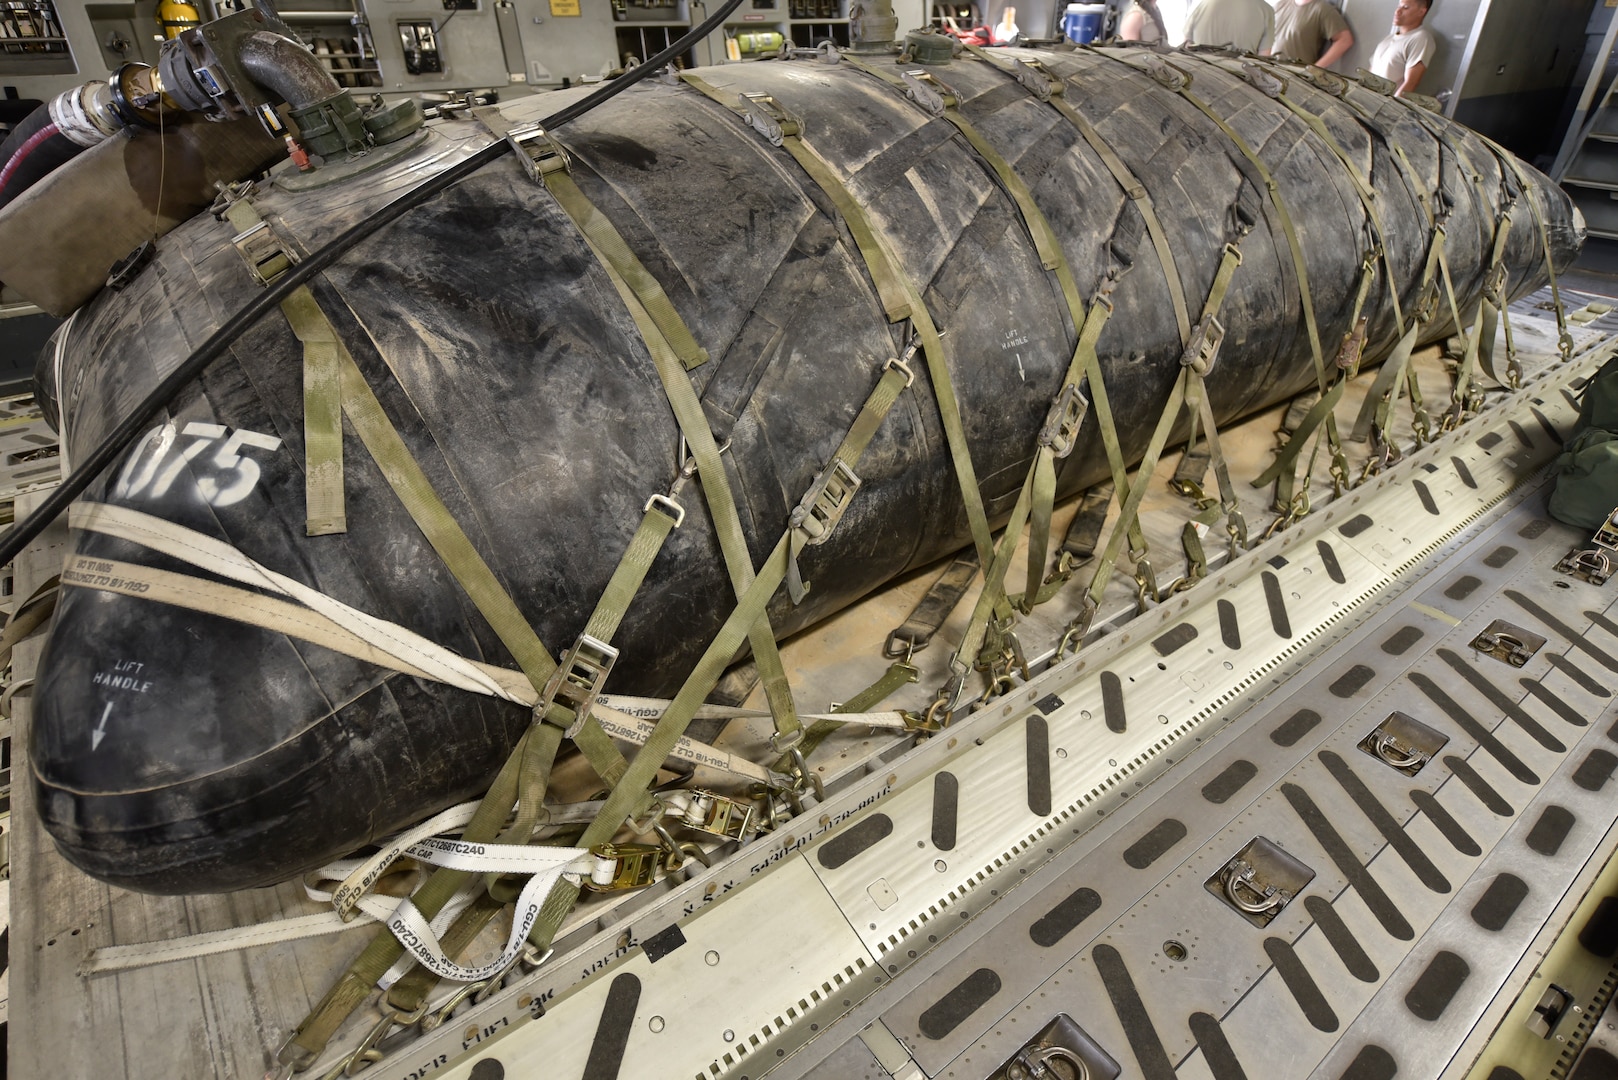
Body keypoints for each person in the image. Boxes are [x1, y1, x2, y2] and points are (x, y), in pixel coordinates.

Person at [1370, 0, 1437, 96]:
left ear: (1421, 12)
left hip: (1383, 105)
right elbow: (1371, 72)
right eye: (1399, 6)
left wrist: (1388, 108)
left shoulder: (1421, 38)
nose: (1397, 11)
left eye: (1405, 7)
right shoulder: (1388, 38)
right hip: (1366, 101)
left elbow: (1411, 83)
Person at [1268, 0, 1352, 68]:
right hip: (1268, 71)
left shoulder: (1323, 9)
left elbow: (1345, 40)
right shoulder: (1279, 5)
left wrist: (1313, 70)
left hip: (1293, 79)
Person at [1184, 0, 1274, 53]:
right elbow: (1264, 58)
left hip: (1200, 78)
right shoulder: (1266, 10)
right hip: (1240, 80)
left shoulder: (1201, 5)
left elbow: (1186, 46)